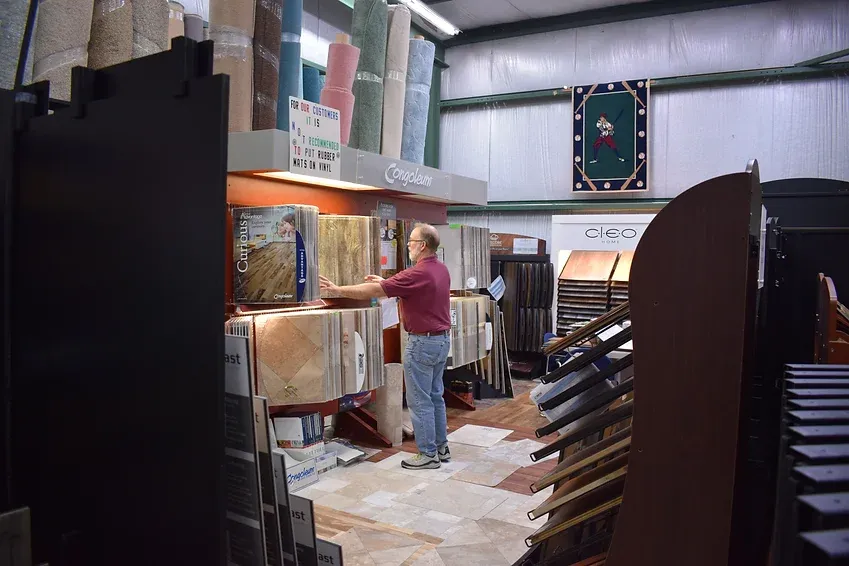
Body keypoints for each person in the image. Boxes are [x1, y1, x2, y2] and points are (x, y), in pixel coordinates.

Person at [319, 223, 451, 470]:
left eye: (411, 241)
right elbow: (408, 288)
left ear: (422, 245)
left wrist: (337, 289)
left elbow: (374, 290)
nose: (409, 245)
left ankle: (428, 455)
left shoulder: (417, 273)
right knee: (435, 397)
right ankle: (441, 448)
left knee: (419, 400)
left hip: (421, 344)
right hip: (441, 341)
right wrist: (389, 283)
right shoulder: (440, 270)